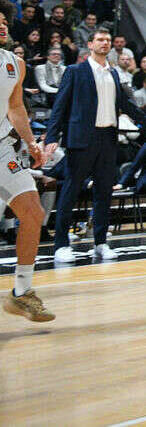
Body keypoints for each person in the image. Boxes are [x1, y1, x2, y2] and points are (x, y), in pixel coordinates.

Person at [44, 27, 146, 262]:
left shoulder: (113, 73)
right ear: (90, 44)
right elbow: (60, 106)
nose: (105, 43)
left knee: (104, 193)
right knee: (70, 191)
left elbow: (125, 104)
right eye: (100, 40)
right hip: (81, 139)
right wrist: (52, 137)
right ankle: (61, 245)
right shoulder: (75, 71)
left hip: (107, 139)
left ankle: (101, 242)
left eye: (108, 40)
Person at [0, 18, 55, 322]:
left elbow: (16, 107)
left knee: (33, 213)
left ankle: (21, 293)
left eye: (5, 22)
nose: (2, 26)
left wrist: (31, 142)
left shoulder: (16, 64)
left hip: (2, 148)